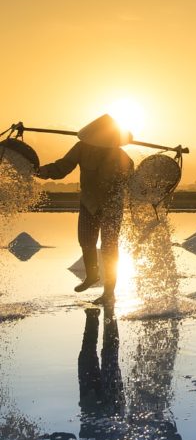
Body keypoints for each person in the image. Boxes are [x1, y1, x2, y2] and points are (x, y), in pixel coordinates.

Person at [37, 114, 133, 305]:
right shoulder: (81, 148)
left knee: (109, 247)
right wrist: (41, 171)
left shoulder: (121, 156)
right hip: (89, 202)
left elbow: (132, 181)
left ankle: (109, 293)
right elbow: (62, 167)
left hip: (112, 206)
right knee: (86, 241)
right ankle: (92, 275)